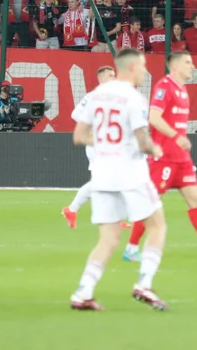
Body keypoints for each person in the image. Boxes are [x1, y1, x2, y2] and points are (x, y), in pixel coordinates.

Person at [69, 49, 169, 312]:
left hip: (102, 172)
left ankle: (83, 292)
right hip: (129, 171)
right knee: (157, 225)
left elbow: (79, 136)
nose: (146, 71)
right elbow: (143, 140)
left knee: (108, 237)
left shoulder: (96, 95)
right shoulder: (134, 98)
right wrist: (156, 150)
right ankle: (144, 283)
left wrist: (104, 142)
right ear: (132, 66)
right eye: (144, 65)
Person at [122, 51, 197, 263]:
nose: (192, 66)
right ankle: (131, 248)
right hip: (163, 158)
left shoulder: (182, 90)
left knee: (195, 200)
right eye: (187, 62)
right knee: (151, 204)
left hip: (181, 159)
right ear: (175, 67)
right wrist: (176, 136)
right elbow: (154, 118)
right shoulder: (164, 87)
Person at [63, 66, 117, 227]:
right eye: (110, 76)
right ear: (102, 79)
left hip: (109, 144)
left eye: (114, 75)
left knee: (108, 181)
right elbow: (75, 114)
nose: (114, 78)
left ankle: (72, 210)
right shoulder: (93, 96)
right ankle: (73, 209)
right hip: (96, 144)